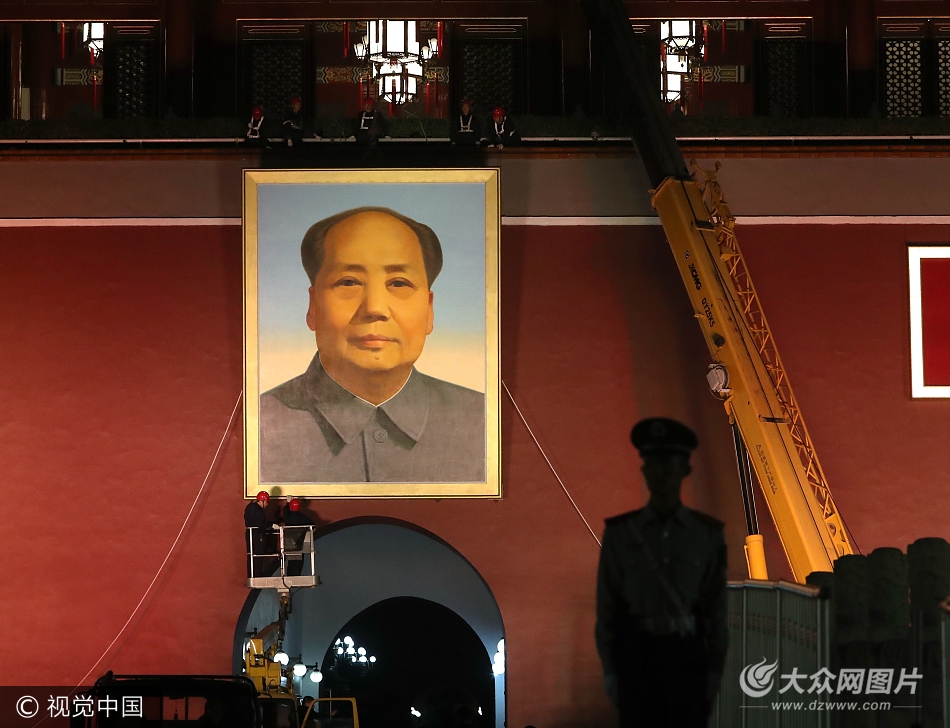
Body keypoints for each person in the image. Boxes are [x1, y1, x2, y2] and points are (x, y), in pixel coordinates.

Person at [259, 207, 485, 484]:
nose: (375, 308)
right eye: (349, 282)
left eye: (399, 283)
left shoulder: (483, 420)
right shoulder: (258, 423)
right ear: (313, 306)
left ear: (429, 310)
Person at [595, 418, 727, 728]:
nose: (660, 473)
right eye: (653, 465)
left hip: (688, 659)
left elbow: (716, 609)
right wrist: (611, 671)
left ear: (685, 470)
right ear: (644, 471)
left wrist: (714, 671)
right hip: (637, 658)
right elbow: (607, 607)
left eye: (668, 465)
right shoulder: (620, 533)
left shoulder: (707, 534)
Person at [244, 490, 274, 578]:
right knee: (257, 556)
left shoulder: (250, 507)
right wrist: (271, 525)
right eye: (267, 502)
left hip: (251, 534)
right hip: (256, 535)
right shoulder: (257, 510)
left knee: (252, 556)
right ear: (262, 501)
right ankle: (256, 575)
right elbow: (261, 524)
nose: (267, 504)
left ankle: (252, 575)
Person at [282, 497, 315, 576]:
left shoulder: (287, 515)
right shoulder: (301, 517)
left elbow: (285, 510)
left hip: (289, 543)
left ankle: (289, 576)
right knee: (298, 563)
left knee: (291, 563)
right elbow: (312, 525)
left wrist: (288, 503)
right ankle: (296, 575)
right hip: (299, 543)